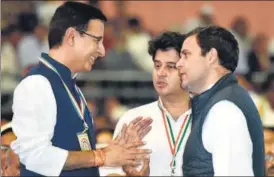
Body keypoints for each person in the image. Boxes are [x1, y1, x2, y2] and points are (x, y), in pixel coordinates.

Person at [10, 2, 152, 176]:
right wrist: (101, 156)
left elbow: (73, 148)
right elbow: (34, 155)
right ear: (71, 37)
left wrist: (114, 150)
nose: (102, 51)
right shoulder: (37, 84)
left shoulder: (69, 84)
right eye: (97, 40)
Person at [176, 26, 265, 176]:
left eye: (186, 55)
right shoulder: (219, 102)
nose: (178, 63)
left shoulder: (224, 111)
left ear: (211, 56)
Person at [100, 32, 192, 176]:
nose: (161, 73)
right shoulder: (133, 120)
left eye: (170, 67)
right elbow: (110, 173)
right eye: (157, 65)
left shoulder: (207, 117)